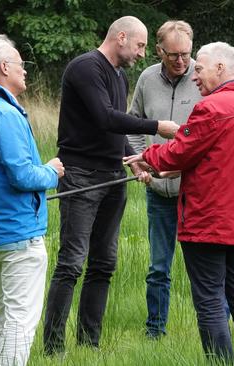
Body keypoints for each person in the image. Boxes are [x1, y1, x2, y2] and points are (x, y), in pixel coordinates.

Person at [125, 41, 234, 366]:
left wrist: (148, 156)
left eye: (200, 69)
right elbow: (217, 158)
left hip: (207, 222)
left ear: (221, 68)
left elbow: (180, 150)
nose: (195, 76)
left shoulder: (211, 109)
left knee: (208, 302)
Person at [43, 16, 179, 355]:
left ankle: (89, 345)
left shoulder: (118, 76)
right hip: (81, 177)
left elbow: (113, 131)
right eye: (140, 45)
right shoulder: (86, 68)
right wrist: (156, 126)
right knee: (72, 263)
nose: (143, 52)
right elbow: (106, 117)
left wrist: (138, 159)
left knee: (104, 263)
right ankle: (53, 348)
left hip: (113, 177)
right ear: (121, 37)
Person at [0, 34, 65, 366]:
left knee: (0, 315)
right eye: (21, 64)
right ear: (5, 68)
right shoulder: (5, 115)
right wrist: (51, 171)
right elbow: (22, 175)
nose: (25, 71)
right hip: (20, 235)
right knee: (20, 322)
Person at [127, 20, 203, 339]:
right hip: (158, 191)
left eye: (186, 54)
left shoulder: (204, 76)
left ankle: (213, 330)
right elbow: (132, 123)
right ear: (159, 51)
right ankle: (155, 331)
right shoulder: (146, 79)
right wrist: (137, 163)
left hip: (196, 192)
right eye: (173, 55)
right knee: (159, 267)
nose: (181, 61)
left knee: (203, 268)